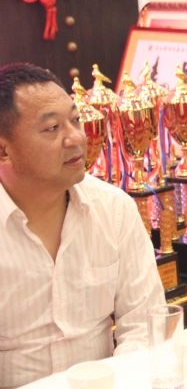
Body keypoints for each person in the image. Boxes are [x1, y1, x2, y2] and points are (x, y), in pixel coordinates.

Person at [0, 62, 165, 388]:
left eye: (75, 120)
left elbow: (144, 324)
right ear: (4, 150)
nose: (76, 137)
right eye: (52, 128)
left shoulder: (113, 209)